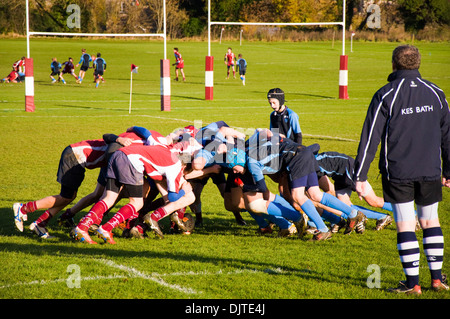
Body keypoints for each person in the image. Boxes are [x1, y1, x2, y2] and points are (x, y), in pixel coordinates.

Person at [353, 44, 450, 294]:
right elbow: (448, 136)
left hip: (399, 172)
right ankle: (437, 279)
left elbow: (369, 138)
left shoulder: (385, 94)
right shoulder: (436, 92)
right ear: (418, 64)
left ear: (394, 64)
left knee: (406, 224)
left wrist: (360, 177)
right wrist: (448, 170)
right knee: (430, 221)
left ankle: (412, 284)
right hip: (430, 170)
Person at [314, 150, 394, 232]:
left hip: (348, 168)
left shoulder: (310, 166)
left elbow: (326, 192)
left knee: (373, 201)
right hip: (339, 177)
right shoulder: (310, 164)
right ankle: (382, 217)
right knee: (346, 207)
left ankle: (404, 208)